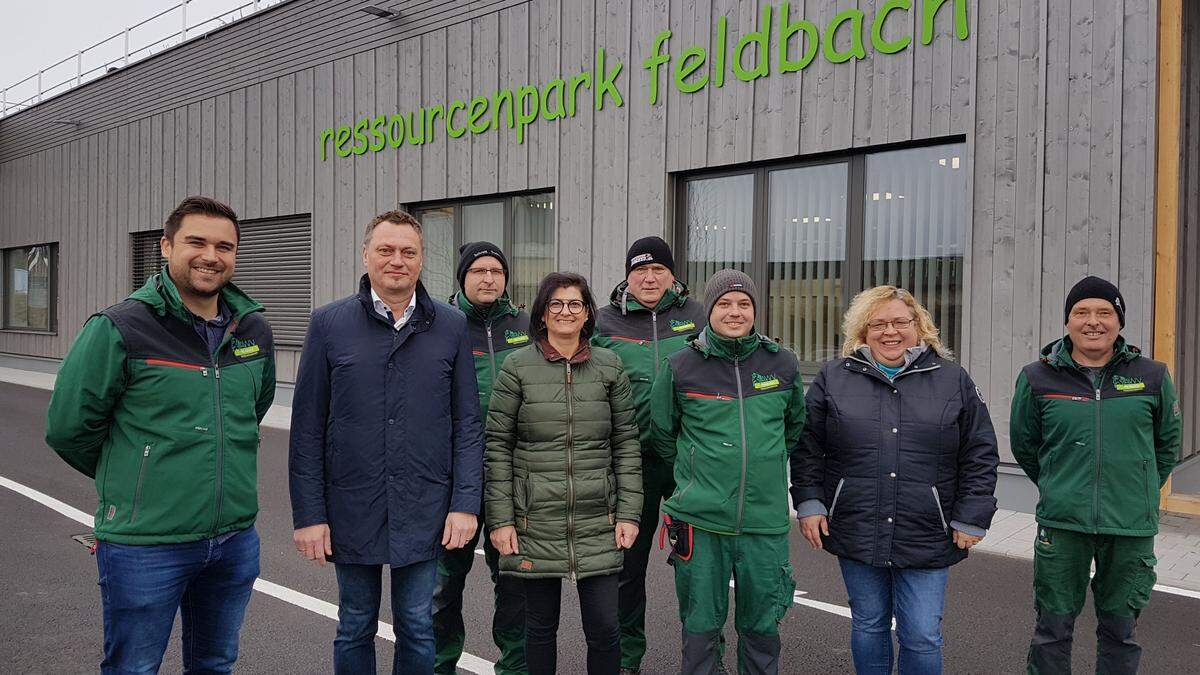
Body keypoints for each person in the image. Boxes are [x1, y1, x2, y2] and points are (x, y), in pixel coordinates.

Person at [45, 196, 276, 674]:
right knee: (134, 667)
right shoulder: (120, 327)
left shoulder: (253, 329)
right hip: (145, 543)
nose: (211, 255)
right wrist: (139, 473)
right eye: (196, 241)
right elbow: (69, 428)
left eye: (225, 246)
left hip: (233, 540)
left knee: (214, 664)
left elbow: (253, 409)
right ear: (166, 247)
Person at [288, 210, 484, 674]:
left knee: (418, 622)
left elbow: (468, 424)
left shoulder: (452, 326)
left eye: (408, 252)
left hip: (425, 504)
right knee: (355, 622)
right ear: (366, 255)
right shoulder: (329, 324)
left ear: (421, 261)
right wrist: (310, 515)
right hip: (352, 504)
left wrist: (465, 503)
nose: (397, 260)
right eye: (386, 250)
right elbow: (308, 428)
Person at [793, 285, 998, 675]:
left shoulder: (952, 379)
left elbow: (979, 451)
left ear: (919, 327)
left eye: (901, 322)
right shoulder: (834, 377)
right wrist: (810, 502)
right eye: (879, 324)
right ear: (862, 331)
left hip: (928, 528)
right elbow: (808, 447)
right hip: (857, 522)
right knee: (868, 625)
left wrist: (972, 514)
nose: (891, 332)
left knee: (921, 634)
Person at [1011, 276, 1180, 674]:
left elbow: (1166, 446)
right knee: (1052, 629)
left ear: (1119, 321)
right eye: (1081, 312)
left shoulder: (1152, 375)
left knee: (1121, 632)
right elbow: (1025, 444)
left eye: (1105, 312)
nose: (1093, 322)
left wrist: (1137, 489)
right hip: (1063, 523)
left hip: (1130, 525)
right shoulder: (1038, 377)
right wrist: (1060, 483)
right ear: (1067, 321)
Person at [485, 271, 643, 675]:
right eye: (556, 303)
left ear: (588, 313)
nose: (566, 312)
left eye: (575, 304)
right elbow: (498, 448)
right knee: (538, 628)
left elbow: (625, 444)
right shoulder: (516, 367)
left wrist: (628, 513)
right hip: (535, 519)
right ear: (541, 314)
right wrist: (501, 520)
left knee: (606, 628)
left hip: (598, 518)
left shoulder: (610, 367)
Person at [649, 268, 806, 675]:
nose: (734, 312)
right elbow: (663, 434)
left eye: (744, 304)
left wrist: (760, 466)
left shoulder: (783, 363)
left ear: (755, 310)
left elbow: (792, 429)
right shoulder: (681, 365)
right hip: (701, 523)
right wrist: (699, 474)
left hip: (764, 524)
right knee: (700, 629)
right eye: (724, 304)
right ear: (709, 310)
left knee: (761, 628)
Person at [591, 236, 705, 674]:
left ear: (672, 274)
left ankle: (701, 658)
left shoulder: (697, 317)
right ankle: (625, 659)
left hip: (685, 461)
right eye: (640, 270)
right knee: (626, 565)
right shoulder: (603, 322)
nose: (650, 277)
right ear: (627, 275)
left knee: (697, 567)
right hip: (627, 463)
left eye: (658, 269)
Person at [433, 241, 530, 675]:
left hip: (515, 476)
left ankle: (514, 667)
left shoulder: (528, 325)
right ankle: (439, 665)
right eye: (479, 271)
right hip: (454, 479)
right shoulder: (439, 325)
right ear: (463, 277)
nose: (488, 278)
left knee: (514, 582)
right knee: (443, 584)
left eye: (496, 271)